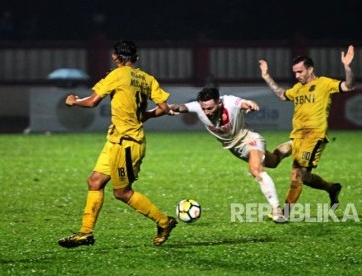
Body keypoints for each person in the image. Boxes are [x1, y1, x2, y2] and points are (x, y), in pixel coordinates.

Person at [58, 40, 177, 248]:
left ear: (115, 57)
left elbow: (93, 101)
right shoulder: (146, 78)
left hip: (128, 143)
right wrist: (145, 116)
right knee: (94, 181)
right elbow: (164, 107)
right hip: (115, 140)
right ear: (136, 58)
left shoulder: (116, 75)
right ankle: (85, 233)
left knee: (122, 192)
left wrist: (73, 101)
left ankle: (164, 222)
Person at [259, 45, 356, 214]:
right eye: (295, 72)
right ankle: (332, 188)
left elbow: (349, 86)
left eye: (300, 72)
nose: (297, 76)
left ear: (310, 69)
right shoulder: (297, 88)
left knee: (297, 175)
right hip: (297, 137)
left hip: (315, 137)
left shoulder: (324, 83)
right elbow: (282, 95)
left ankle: (283, 213)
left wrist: (347, 67)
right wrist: (267, 76)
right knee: (279, 161)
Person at [170, 87, 287, 223]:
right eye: (204, 109)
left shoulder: (229, 102)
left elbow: (243, 103)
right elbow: (179, 107)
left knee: (256, 171)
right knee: (273, 161)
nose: (206, 112)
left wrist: (250, 104)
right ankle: (292, 146)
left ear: (219, 102)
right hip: (236, 149)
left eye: (210, 108)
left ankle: (277, 211)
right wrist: (167, 108)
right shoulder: (198, 107)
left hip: (249, 139)